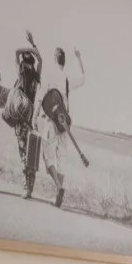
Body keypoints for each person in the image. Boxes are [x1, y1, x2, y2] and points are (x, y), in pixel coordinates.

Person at [34, 45, 85, 208]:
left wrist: (34, 116)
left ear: (54, 59)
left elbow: (40, 98)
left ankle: (59, 187)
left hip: (50, 122)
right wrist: (78, 58)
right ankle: (58, 197)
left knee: (47, 157)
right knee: (62, 159)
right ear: (64, 60)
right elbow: (83, 78)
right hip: (65, 125)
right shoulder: (68, 78)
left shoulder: (49, 75)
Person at [5, 31, 43, 198]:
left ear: (23, 59)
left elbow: (15, 52)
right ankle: (30, 188)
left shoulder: (21, 70)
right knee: (31, 153)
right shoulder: (36, 73)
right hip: (31, 119)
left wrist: (27, 47)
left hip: (21, 120)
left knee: (23, 153)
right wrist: (33, 45)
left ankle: (25, 188)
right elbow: (41, 60)